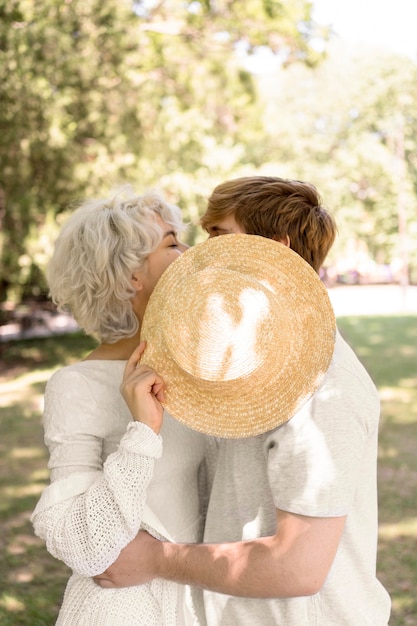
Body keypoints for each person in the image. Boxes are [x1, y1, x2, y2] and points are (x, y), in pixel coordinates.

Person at [95, 176, 391, 625]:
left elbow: (297, 566)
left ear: (277, 249)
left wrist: (156, 560)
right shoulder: (247, 362)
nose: (199, 253)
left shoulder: (326, 390)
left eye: (219, 236)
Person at [31, 187, 210, 626]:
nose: (189, 253)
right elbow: (84, 545)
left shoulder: (206, 366)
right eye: (171, 242)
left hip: (210, 598)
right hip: (125, 611)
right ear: (132, 275)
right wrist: (143, 433)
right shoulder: (76, 386)